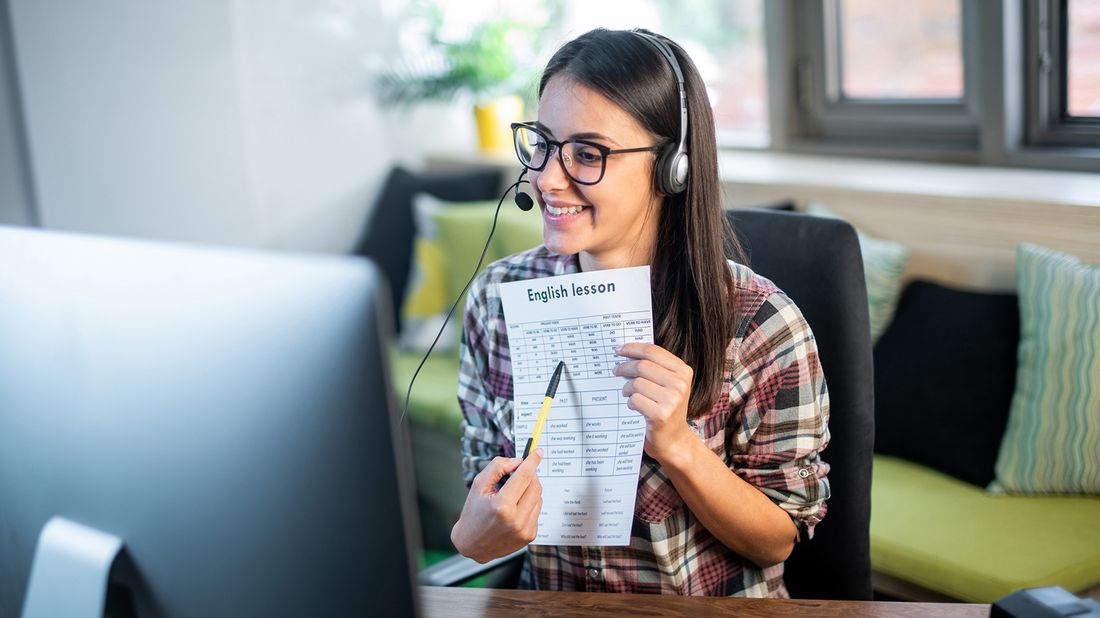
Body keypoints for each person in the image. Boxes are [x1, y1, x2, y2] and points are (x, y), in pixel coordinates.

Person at [450, 27, 830, 597]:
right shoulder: (495, 300)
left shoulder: (761, 324)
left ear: (671, 166)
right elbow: (482, 499)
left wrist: (679, 446)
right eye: (543, 143)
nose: (547, 179)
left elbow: (777, 539)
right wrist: (474, 537)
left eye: (587, 153)